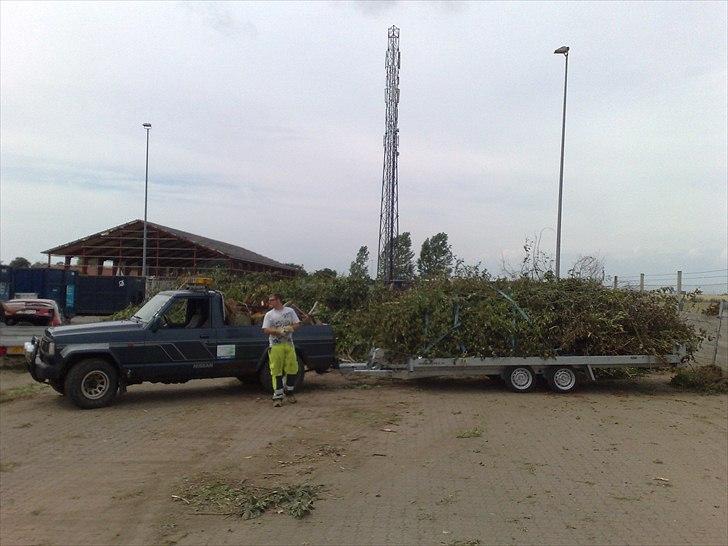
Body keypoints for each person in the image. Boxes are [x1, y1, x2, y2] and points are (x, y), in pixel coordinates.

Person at [261, 294, 301, 407]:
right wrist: (277, 331)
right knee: (276, 370)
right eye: (269, 300)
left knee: (292, 369)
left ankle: (289, 392)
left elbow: (297, 324)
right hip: (275, 346)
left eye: (271, 300)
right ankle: (277, 397)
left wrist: (290, 328)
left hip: (288, 344)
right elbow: (265, 329)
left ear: (278, 300)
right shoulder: (269, 315)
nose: (269, 302)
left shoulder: (290, 311)